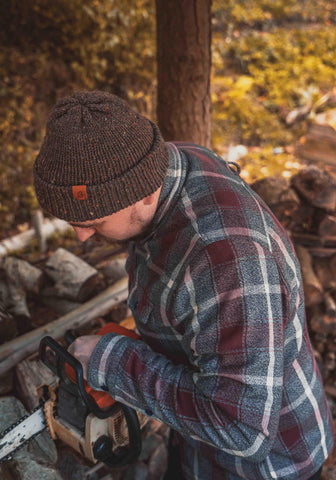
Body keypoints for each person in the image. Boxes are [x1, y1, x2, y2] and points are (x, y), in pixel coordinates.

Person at [32, 90, 334, 479]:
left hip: (269, 464)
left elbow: (242, 430)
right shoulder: (168, 163)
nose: (82, 237)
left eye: (93, 220)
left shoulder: (226, 262)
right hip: (202, 447)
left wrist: (116, 363)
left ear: (140, 193)